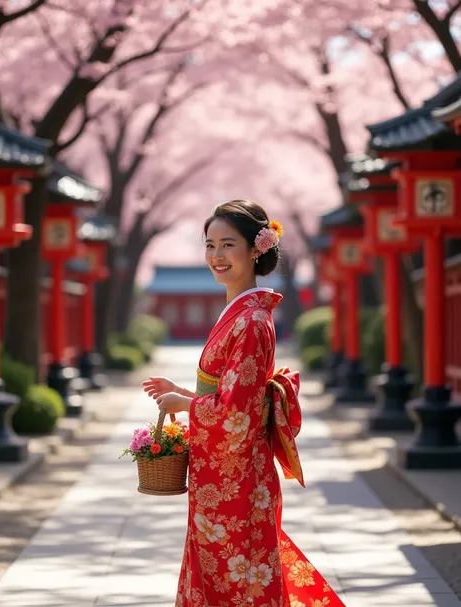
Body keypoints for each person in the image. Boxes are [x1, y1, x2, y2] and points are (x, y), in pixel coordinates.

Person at [142, 200, 345, 607]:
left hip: (238, 478)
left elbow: (238, 412)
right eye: (210, 245)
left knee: (242, 577)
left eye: (228, 244)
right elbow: (230, 391)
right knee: (228, 572)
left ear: (256, 249)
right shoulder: (241, 313)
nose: (217, 256)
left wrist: (185, 404)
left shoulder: (251, 320)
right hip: (222, 471)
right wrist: (184, 391)